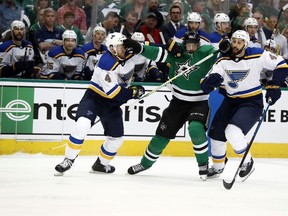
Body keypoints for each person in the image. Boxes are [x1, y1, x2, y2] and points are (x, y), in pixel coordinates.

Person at [124, 31, 218, 180]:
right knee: (161, 135)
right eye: (188, 45)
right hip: (178, 102)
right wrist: (140, 47)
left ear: (199, 44)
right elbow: (157, 53)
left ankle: (203, 164)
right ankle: (145, 163)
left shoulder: (206, 53)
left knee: (196, 129)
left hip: (199, 101)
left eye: (194, 45)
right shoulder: (177, 51)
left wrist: (226, 48)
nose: (191, 48)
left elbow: (222, 55)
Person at [200, 30, 288, 180]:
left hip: (251, 101)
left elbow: (282, 64)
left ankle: (247, 162)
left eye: (239, 42)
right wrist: (209, 83)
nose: (235, 45)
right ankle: (218, 167)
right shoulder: (223, 59)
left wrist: (275, 84)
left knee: (232, 132)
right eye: (234, 41)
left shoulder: (257, 54)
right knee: (215, 135)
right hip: (230, 100)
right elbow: (205, 84)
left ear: (245, 44)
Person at [54, 32, 145, 176]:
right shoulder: (106, 63)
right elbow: (113, 93)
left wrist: (139, 47)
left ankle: (101, 165)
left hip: (112, 104)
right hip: (95, 99)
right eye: (122, 47)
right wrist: (132, 93)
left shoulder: (127, 54)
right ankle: (68, 160)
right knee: (82, 125)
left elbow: (148, 52)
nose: (125, 49)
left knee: (116, 139)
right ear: (112, 48)